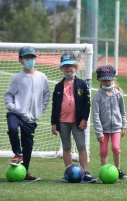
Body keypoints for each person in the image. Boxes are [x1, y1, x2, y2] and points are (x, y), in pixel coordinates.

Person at [4, 46, 50, 181]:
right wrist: (12, 107)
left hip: (31, 118)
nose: (30, 60)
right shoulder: (17, 78)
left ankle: (25, 171)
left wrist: (41, 109)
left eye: (32, 58)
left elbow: (46, 94)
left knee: (28, 145)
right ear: (20, 60)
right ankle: (18, 153)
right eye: (26, 58)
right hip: (15, 113)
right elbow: (9, 94)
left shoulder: (42, 77)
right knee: (12, 129)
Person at [51, 52, 96, 183]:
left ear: (75, 67)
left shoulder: (82, 84)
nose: (68, 68)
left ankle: (85, 172)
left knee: (81, 146)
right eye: (65, 66)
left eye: (71, 66)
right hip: (62, 122)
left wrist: (84, 119)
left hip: (77, 122)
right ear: (61, 68)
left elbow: (87, 103)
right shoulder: (58, 86)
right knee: (66, 147)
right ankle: (69, 172)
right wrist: (54, 122)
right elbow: (55, 106)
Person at [92, 65, 127, 179]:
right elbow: (95, 115)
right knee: (103, 151)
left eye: (109, 79)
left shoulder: (118, 94)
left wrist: (124, 125)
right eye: (104, 80)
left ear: (113, 78)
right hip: (103, 129)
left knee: (115, 148)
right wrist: (99, 132)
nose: (107, 82)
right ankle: (105, 171)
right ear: (100, 80)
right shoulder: (98, 96)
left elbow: (123, 111)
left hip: (116, 128)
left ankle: (118, 170)